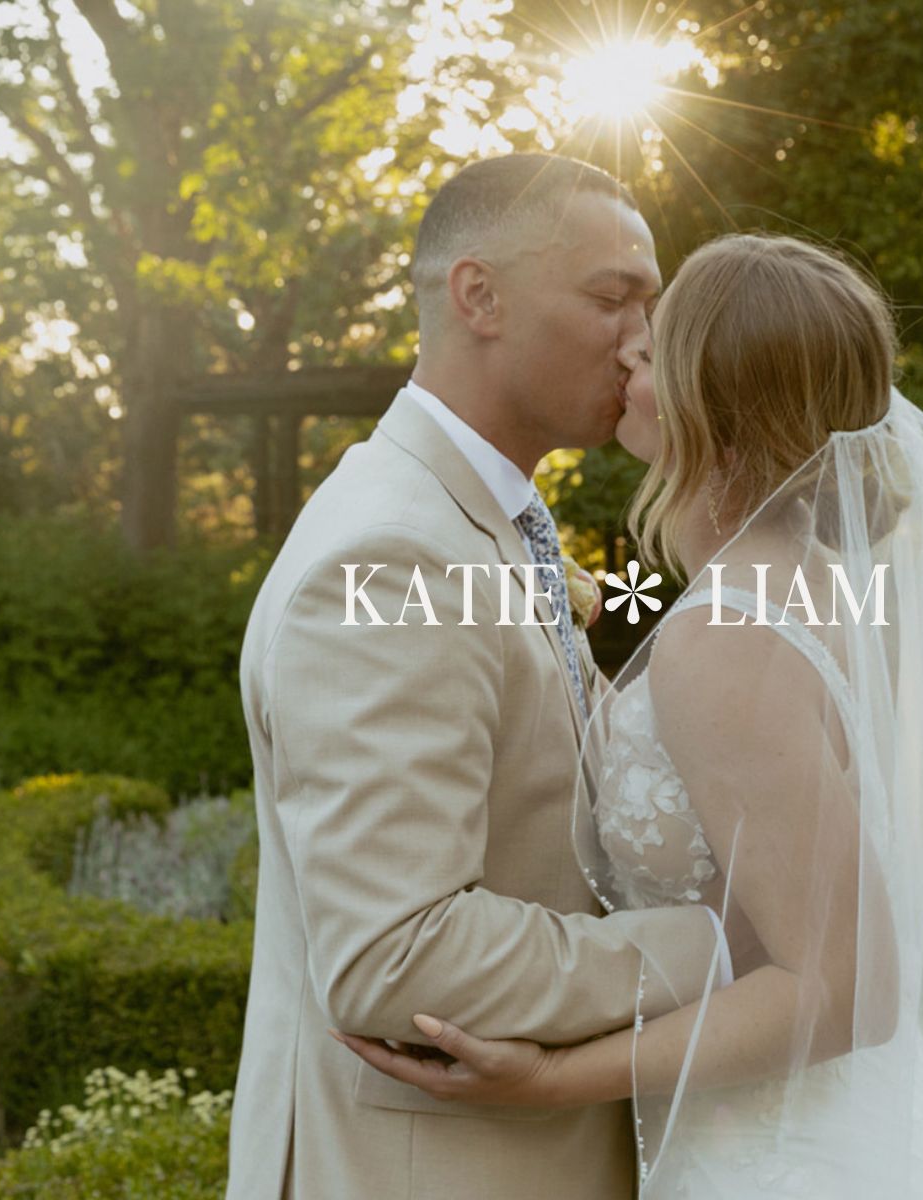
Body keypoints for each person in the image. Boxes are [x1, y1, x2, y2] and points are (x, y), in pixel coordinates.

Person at [340, 233, 923, 1197]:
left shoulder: (726, 635)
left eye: (651, 354)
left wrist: (553, 1078)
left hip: (777, 1159)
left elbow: (844, 990)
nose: (625, 360)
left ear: (712, 408)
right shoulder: (820, 584)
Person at [226, 153, 731, 1200]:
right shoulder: (392, 556)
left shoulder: (486, 524)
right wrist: (710, 951)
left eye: (654, 304)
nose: (646, 340)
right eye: (612, 298)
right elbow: (397, 953)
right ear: (480, 296)